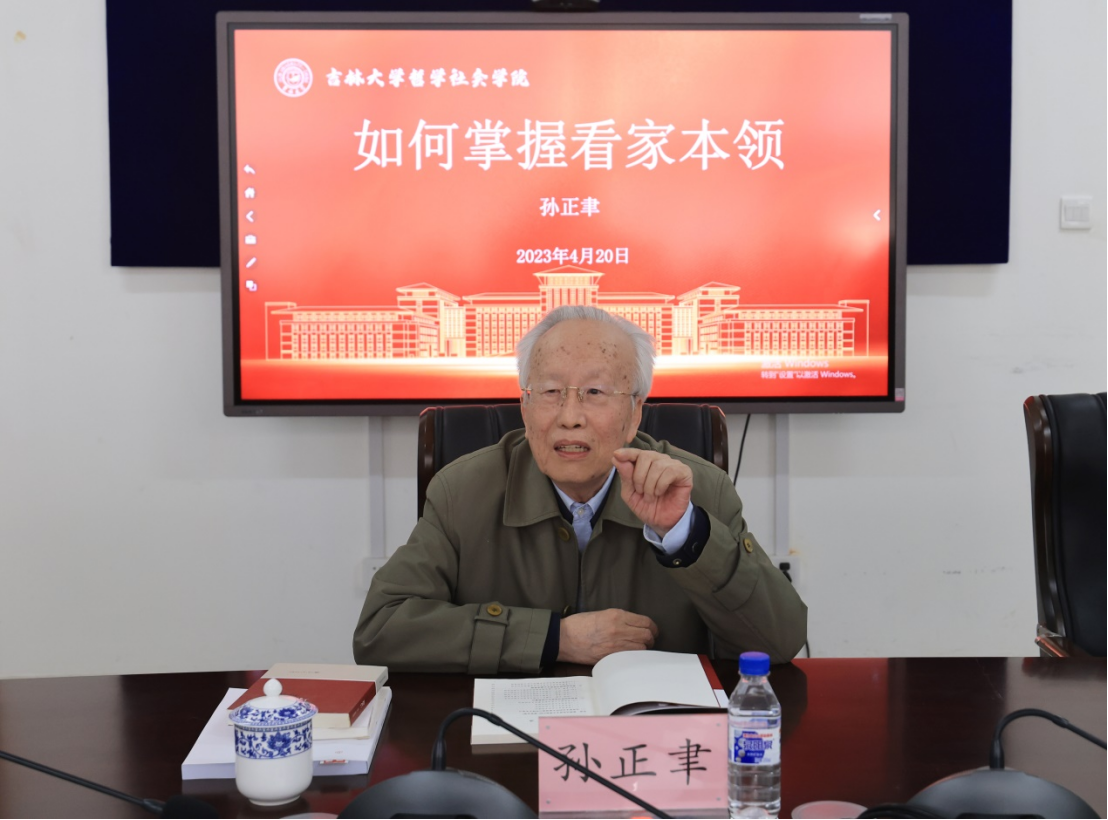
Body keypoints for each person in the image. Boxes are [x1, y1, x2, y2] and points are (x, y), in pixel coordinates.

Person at [353, 306, 807, 673]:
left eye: (595, 392)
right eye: (550, 391)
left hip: (655, 739)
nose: (569, 416)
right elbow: (380, 629)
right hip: (509, 736)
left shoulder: (698, 489)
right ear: (525, 407)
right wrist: (554, 638)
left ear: (635, 414)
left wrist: (685, 533)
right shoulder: (463, 492)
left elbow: (780, 641)